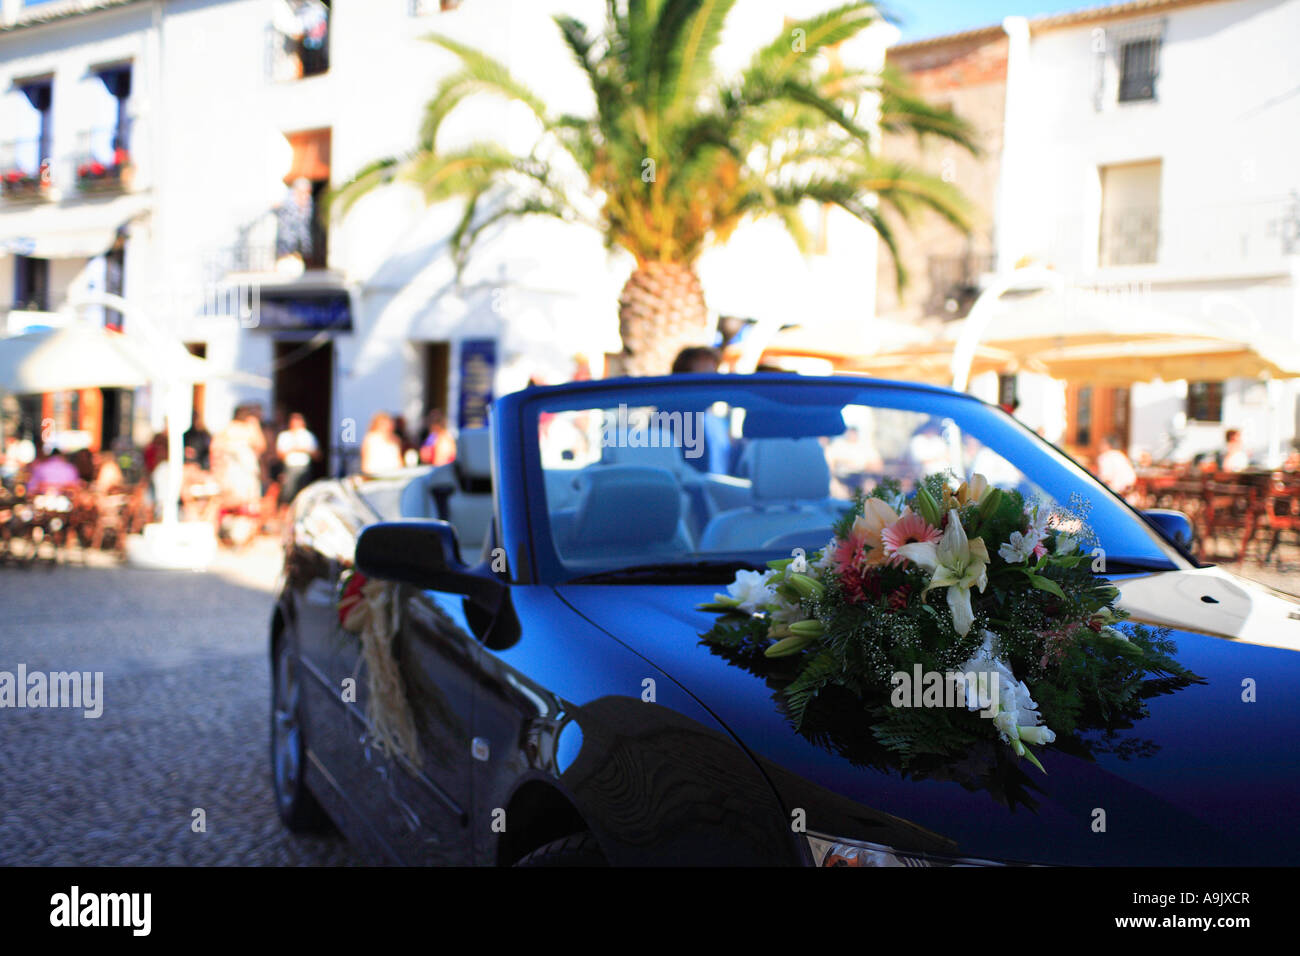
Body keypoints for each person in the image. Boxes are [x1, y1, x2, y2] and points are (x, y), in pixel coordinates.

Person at [276, 413, 320, 509]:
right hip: (290, 467)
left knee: (304, 492)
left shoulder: (308, 436)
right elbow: (279, 454)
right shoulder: (285, 436)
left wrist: (303, 449)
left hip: (304, 467)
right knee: (288, 493)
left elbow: (317, 454)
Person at [360, 412, 404, 477]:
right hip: (376, 476)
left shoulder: (396, 439)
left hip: (394, 475)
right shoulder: (370, 439)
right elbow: (365, 463)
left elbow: (400, 460)